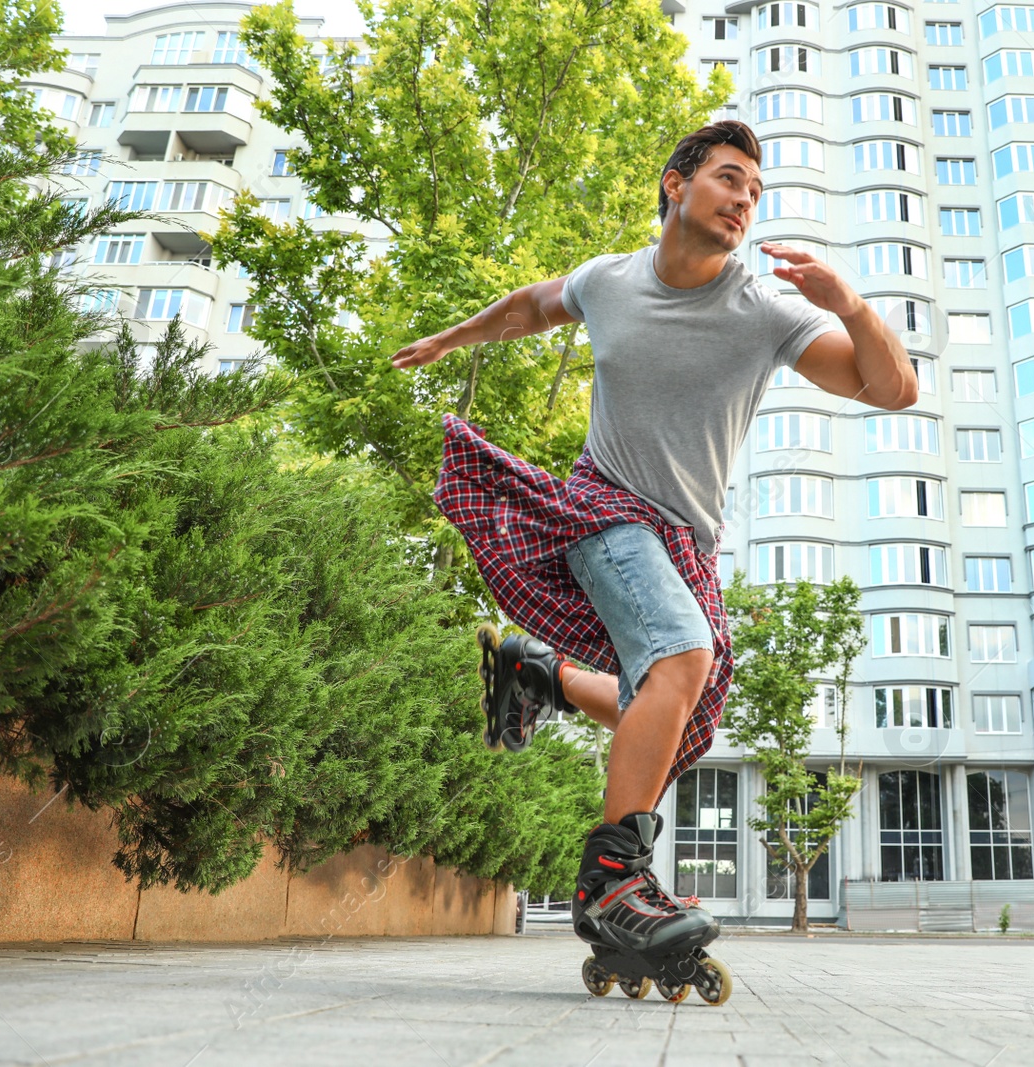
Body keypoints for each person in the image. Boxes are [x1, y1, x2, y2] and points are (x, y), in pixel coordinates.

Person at [391, 121, 914, 989]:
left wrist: (849, 306)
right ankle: (615, 879)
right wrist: (451, 338)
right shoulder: (612, 280)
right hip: (603, 508)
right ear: (676, 185)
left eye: (755, 190)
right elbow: (529, 305)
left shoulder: (766, 307)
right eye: (728, 179)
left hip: (688, 539)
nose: (744, 200)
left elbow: (892, 389)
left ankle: (539, 674)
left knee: (681, 712)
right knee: (681, 653)